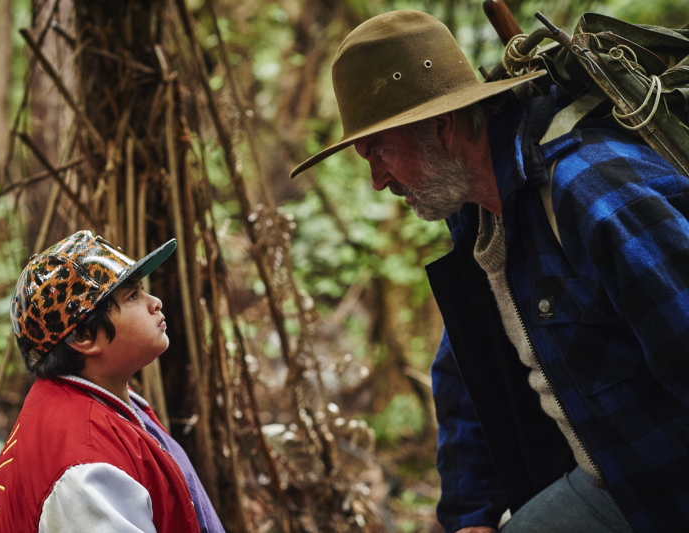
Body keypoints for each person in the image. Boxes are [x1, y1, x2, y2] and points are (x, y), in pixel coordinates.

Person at [291, 10, 689, 533]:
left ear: (442, 126)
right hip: (607, 478)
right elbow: (466, 375)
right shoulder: (477, 213)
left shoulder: (589, 190)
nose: (376, 180)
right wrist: (470, 517)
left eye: (380, 151)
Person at [0, 230, 225, 533]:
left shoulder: (94, 400)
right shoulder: (85, 471)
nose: (156, 302)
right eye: (133, 295)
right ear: (84, 336)